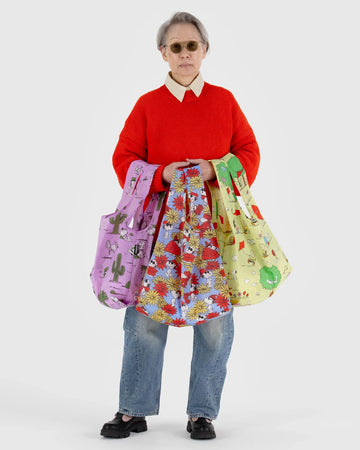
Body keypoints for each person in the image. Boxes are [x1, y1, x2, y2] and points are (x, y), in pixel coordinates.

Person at [100, 11, 260, 440]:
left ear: (205, 50)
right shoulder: (148, 105)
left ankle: (201, 412)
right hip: (158, 228)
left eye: (193, 45)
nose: (185, 53)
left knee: (214, 320)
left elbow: (247, 151)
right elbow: (124, 158)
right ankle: (133, 408)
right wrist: (161, 176)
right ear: (163, 53)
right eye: (177, 46)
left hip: (212, 228)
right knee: (146, 315)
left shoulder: (224, 101)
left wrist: (213, 170)